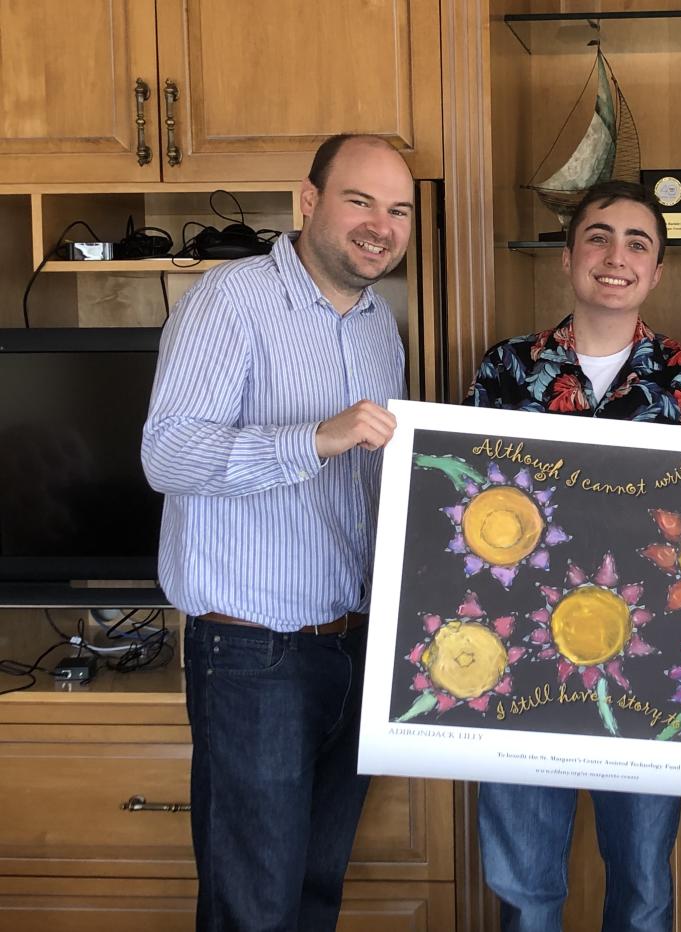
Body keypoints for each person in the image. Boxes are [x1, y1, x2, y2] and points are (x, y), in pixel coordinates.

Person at [141, 134, 413, 931]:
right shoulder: (230, 301)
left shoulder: (376, 324)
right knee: (253, 906)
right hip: (252, 653)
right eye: (360, 200)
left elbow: (367, 484)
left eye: (397, 210)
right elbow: (167, 454)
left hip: (349, 645)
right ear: (307, 201)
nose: (380, 225)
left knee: (313, 894)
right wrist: (314, 438)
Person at [465, 179, 681, 932]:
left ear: (658, 270)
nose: (617, 256)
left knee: (643, 889)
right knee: (525, 891)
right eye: (599, 238)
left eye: (638, 243)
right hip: (520, 660)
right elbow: (475, 518)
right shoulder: (506, 369)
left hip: (647, 662)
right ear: (570, 256)